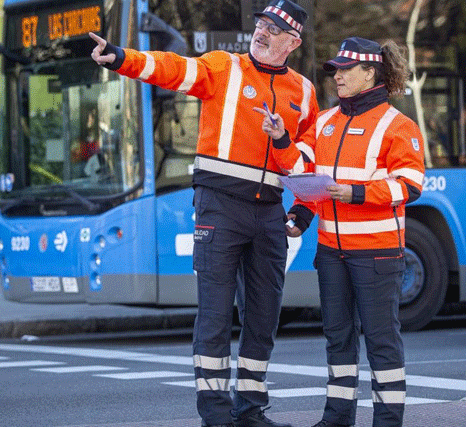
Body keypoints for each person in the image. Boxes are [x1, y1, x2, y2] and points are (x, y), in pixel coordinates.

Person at [88, 1, 318, 426]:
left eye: (275, 28)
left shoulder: (303, 91)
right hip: (219, 205)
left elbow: (308, 161)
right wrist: (122, 57)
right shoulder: (223, 67)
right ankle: (215, 414)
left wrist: (302, 211)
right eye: (262, 24)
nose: (263, 33)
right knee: (214, 313)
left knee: (264, 316)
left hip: (269, 211)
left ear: (293, 41)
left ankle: (250, 411)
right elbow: (172, 68)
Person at [257, 37, 425, 427]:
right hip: (332, 252)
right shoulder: (325, 122)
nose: (337, 77)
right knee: (338, 338)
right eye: (335, 70)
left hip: (378, 253)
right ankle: (336, 419)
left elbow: (410, 185)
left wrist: (356, 193)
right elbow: (304, 172)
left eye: (346, 70)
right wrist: (282, 140)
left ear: (370, 73)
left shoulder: (398, 125)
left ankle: (387, 421)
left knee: (382, 342)